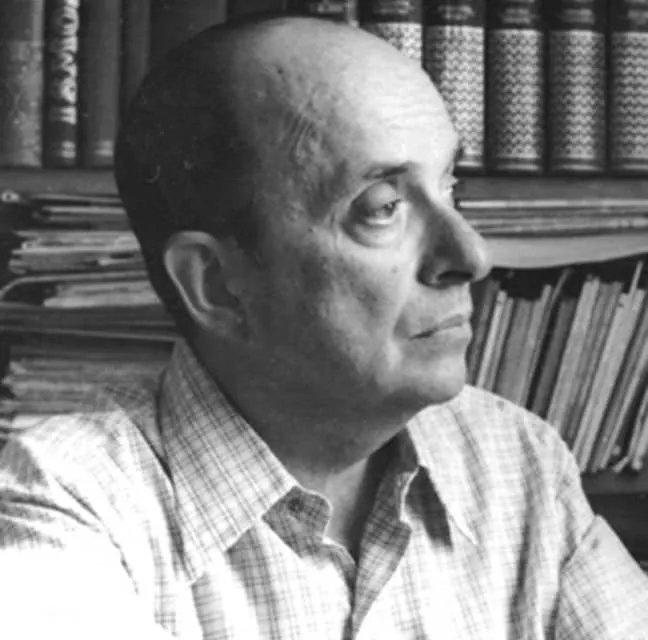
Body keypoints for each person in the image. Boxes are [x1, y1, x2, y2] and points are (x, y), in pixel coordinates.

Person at [1, 14, 647, 640]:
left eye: (453, 188)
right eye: (383, 207)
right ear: (217, 284)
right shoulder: (62, 503)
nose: (472, 255)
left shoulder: (518, 461)